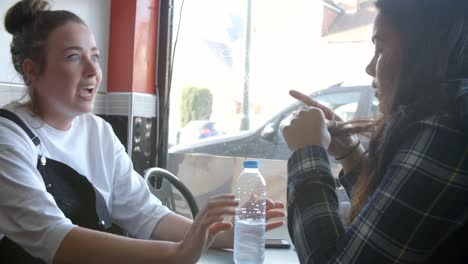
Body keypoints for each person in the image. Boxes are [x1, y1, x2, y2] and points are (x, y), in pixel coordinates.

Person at [0, 1, 285, 263]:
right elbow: (55, 238)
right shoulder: (9, 137)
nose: (92, 71)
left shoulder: (97, 132)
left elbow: (146, 213)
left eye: (95, 57)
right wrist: (176, 253)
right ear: (33, 71)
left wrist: (223, 233)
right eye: (74, 57)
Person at [281, 0, 468, 263]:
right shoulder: (449, 116)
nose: (370, 67)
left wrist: (307, 154)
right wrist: (350, 152)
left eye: (380, 48)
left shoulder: (446, 132)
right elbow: (394, 219)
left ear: (422, 54)